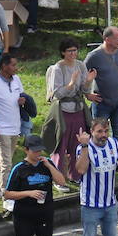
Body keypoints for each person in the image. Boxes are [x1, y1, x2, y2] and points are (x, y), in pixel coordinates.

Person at [6, 135, 67, 236]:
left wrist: (49, 165)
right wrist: (28, 193)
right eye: (35, 150)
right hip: (24, 216)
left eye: (40, 149)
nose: (38, 152)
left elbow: (62, 181)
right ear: (26, 150)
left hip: (45, 215)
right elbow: (7, 193)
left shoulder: (46, 165)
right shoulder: (19, 168)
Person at [72, 119, 118, 236]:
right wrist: (85, 146)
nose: (104, 135)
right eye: (100, 131)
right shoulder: (83, 148)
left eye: (106, 131)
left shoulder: (113, 143)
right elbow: (80, 170)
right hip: (90, 203)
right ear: (91, 132)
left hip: (110, 202)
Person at [44, 40, 94, 173]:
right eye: (70, 51)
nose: (73, 53)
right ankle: (57, 175)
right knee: (61, 143)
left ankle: (75, 174)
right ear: (63, 52)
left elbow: (84, 89)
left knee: (77, 142)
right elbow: (57, 94)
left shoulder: (80, 65)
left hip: (78, 110)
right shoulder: (58, 68)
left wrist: (88, 81)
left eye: (75, 50)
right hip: (63, 111)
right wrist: (70, 84)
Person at [0, 54, 28, 185]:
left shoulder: (16, 80)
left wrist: (22, 101)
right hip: (1, 129)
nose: (16, 68)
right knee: (7, 163)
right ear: (4, 66)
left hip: (15, 127)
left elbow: (20, 97)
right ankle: (5, 192)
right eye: (13, 65)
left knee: (4, 160)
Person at [86, 26, 118, 144]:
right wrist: (87, 94)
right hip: (101, 103)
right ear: (107, 39)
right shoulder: (94, 56)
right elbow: (82, 76)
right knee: (98, 135)